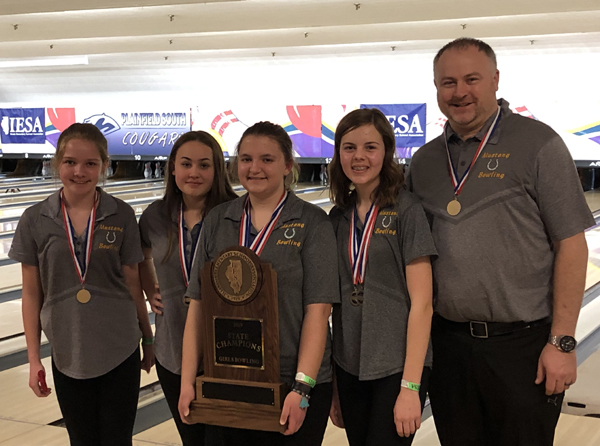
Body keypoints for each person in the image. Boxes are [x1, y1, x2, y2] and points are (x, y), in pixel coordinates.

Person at [407, 37, 595, 446]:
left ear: (495, 80)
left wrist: (562, 342)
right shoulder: (423, 163)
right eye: (448, 82)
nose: (460, 92)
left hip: (522, 347)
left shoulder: (539, 144)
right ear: (436, 87)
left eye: (471, 79)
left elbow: (572, 244)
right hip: (449, 347)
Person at [178, 121, 339, 446]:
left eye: (267, 159)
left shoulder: (312, 223)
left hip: (291, 383)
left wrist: (302, 388)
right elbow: (197, 304)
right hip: (227, 379)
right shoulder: (217, 220)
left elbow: (318, 312)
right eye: (247, 159)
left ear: (287, 165)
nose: (255, 168)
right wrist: (187, 382)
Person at [9, 123, 154, 446]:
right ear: (57, 162)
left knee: (118, 441)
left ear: (104, 166)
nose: (80, 171)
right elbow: (31, 293)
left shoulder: (121, 214)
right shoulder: (35, 219)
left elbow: (133, 281)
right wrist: (34, 359)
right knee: (82, 441)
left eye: (90, 163)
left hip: (120, 348)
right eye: (71, 161)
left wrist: (148, 339)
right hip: (67, 352)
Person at [328, 108, 437, 446]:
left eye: (370, 147)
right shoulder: (337, 217)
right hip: (349, 364)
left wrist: (411, 387)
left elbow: (422, 304)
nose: (359, 156)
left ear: (386, 152)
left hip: (395, 366)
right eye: (349, 148)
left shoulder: (407, 210)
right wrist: (333, 386)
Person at [138, 131, 238, 445]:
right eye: (186, 163)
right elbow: (140, 255)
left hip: (226, 353)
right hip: (172, 351)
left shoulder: (237, 214)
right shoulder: (155, 215)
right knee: (192, 439)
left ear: (217, 170)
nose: (194, 172)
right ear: (172, 168)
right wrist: (148, 288)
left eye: (204, 165)